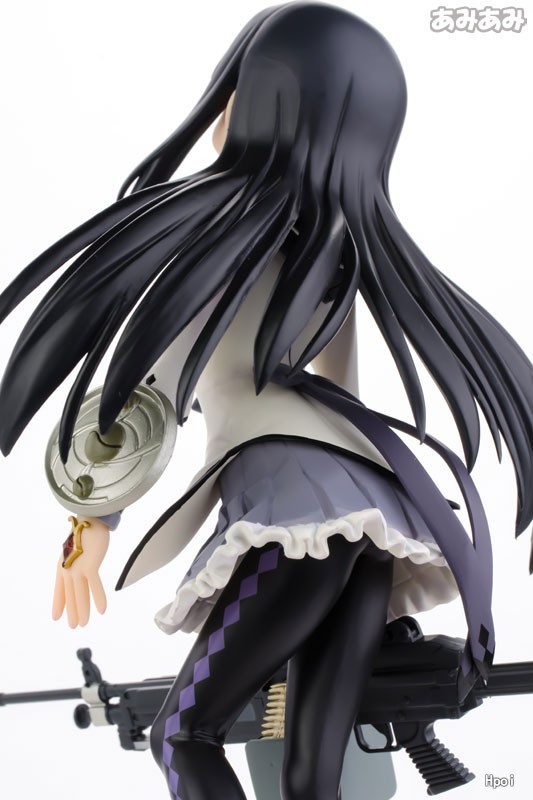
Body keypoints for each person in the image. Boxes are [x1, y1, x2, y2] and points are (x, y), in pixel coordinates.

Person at [0, 4, 531, 799]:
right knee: (312, 773)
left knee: (182, 737)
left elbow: (147, 389)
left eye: (238, 92)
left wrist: (93, 516)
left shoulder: (215, 242)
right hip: (374, 523)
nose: (219, 112)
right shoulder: (343, 250)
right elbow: (382, 388)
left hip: (292, 521)